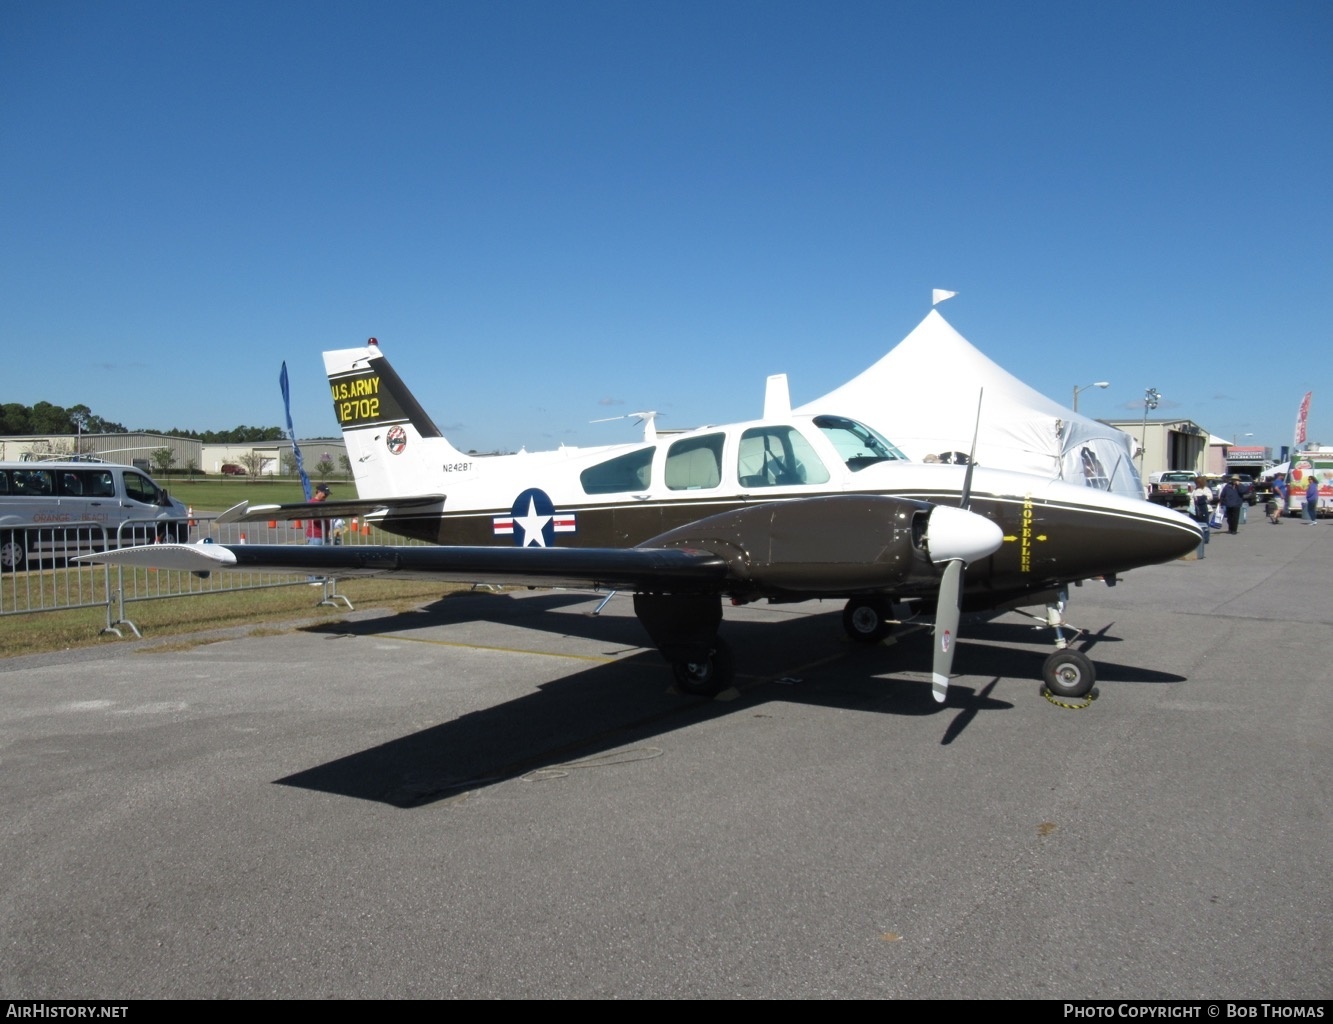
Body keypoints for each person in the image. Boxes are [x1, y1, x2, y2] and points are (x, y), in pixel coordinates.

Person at [1191, 476, 1213, 557]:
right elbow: (1191, 498)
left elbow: (1210, 497)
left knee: (1204, 524)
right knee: (1195, 524)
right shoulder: (1195, 489)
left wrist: (1202, 498)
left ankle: (1205, 539)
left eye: (1197, 482)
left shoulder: (1206, 489)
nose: (1196, 484)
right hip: (1194, 509)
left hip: (1203, 509)